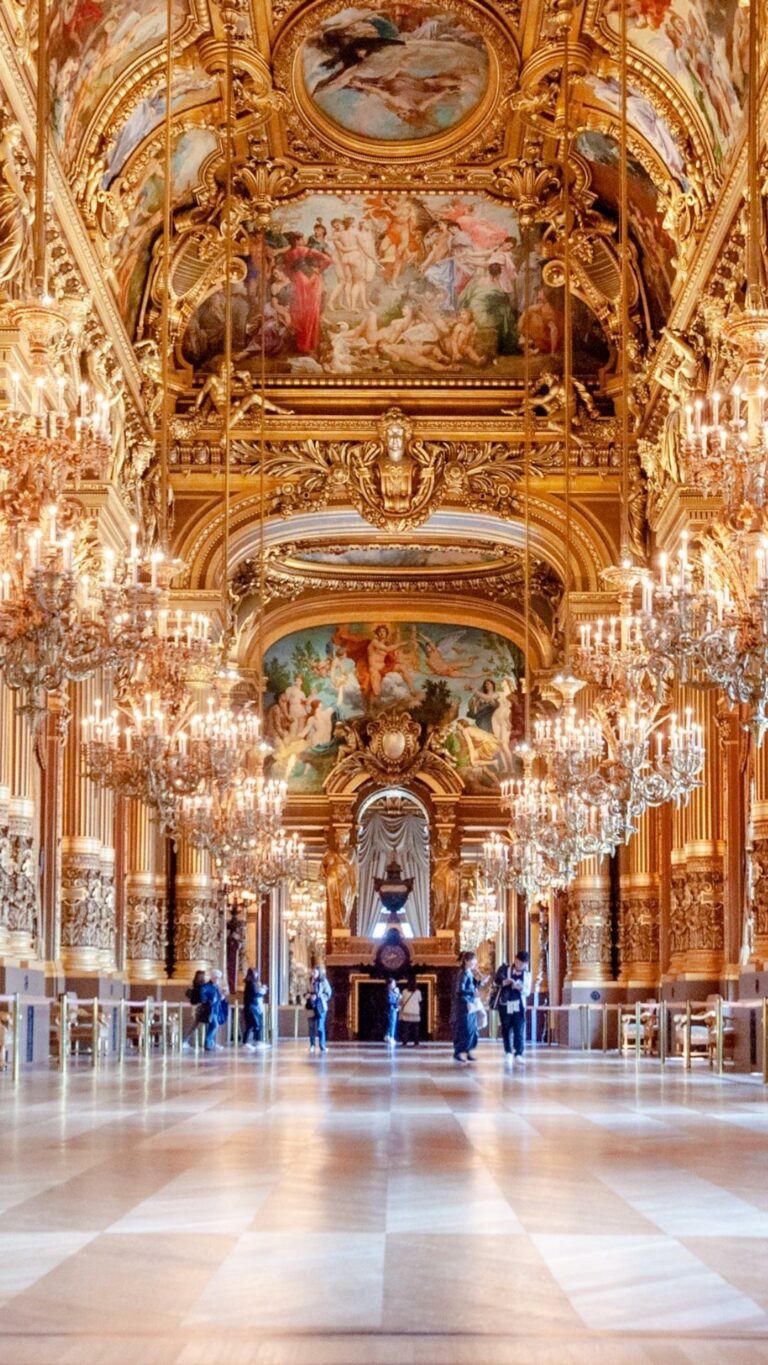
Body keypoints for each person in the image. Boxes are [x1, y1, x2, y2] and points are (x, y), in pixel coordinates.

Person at [492, 950, 532, 1066]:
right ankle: (508, 1052)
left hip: (519, 1004)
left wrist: (520, 988)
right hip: (506, 1003)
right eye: (519, 962)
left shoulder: (527, 975)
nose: (520, 965)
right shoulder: (505, 969)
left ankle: (518, 1053)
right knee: (506, 1027)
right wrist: (506, 982)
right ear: (515, 960)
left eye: (523, 964)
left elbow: (528, 992)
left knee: (519, 1028)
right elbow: (496, 982)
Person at [453, 950, 484, 1064]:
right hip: (464, 1005)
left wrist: (480, 982)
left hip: (470, 1004)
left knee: (472, 1029)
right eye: (473, 960)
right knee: (465, 1029)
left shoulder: (469, 972)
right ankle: (459, 1051)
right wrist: (472, 992)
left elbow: (471, 986)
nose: (475, 962)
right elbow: (460, 990)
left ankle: (469, 1050)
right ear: (466, 961)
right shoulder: (463, 973)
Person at [306, 966, 332, 1054]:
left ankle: (322, 1046)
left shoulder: (323, 981)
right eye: (312, 972)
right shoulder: (309, 981)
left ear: (319, 973)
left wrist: (319, 996)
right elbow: (304, 991)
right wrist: (308, 995)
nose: (313, 974)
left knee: (320, 1027)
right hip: (311, 1006)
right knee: (311, 1027)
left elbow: (328, 993)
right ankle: (312, 1045)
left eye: (315, 972)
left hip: (321, 1006)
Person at [242, 967, 268, 1049]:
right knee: (255, 1025)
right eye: (256, 973)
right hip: (252, 1007)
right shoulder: (251, 983)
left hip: (250, 1007)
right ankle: (249, 1042)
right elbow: (254, 996)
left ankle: (249, 1042)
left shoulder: (249, 983)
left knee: (250, 1025)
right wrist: (262, 991)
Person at [182, 969, 207, 1049]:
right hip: (199, 1007)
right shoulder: (200, 986)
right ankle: (185, 1041)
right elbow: (200, 997)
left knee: (195, 1025)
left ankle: (185, 1041)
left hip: (196, 1006)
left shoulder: (196, 985)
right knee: (194, 1025)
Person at [199, 972, 223, 1052]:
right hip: (210, 1009)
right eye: (216, 978)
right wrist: (208, 1001)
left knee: (212, 1026)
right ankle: (208, 1042)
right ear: (212, 977)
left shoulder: (216, 987)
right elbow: (202, 995)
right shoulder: (207, 986)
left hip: (215, 1009)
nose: (217, 980)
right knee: (215, 1025)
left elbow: (217, 997)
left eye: (218, 978)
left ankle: (210, 1042)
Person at [398, 975, 422, 1046]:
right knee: (416, 1028)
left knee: (406, 1029)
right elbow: (420, 1000)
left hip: (407, 1011)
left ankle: (405, 1041)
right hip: (415, 1012)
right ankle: (416, 1042)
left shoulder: (404, 991)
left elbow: (402, 1001)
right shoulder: (418, 992)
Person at [385, 977, 401, 1046]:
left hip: (394, 1008)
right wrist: (397, 995)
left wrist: (398, 994)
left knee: (392, 1022)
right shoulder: (389, 991)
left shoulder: (394, 990)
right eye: (392, 983)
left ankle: (388, 1035)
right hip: (392, 1008)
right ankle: (391, 1037)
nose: (394, 984)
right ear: (389, 984)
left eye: (394, 983)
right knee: (392, 1022)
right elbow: (391, 1000)